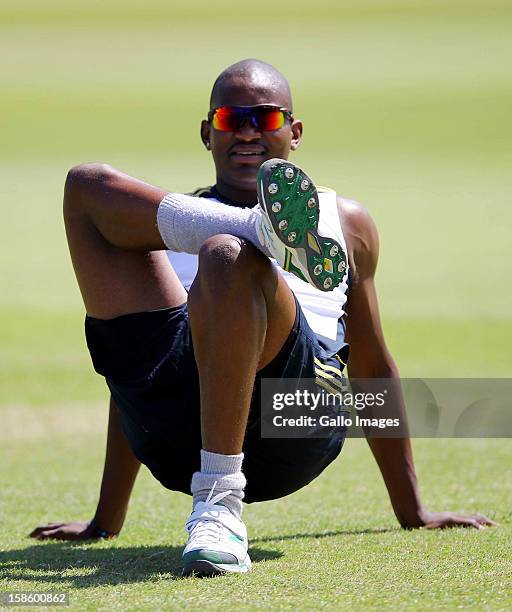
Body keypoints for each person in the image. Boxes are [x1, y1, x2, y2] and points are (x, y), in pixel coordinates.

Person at [30, 59, 494, 576]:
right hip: (180, 433)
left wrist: (414, 511)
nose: (248, 131)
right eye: (232, 118)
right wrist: (105, 521)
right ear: (208, 133)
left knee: (228, 257)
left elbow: (369, 360)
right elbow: (136, 372)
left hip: (295, 422)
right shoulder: (164, 223)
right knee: (85, 185)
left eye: (266, 118)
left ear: (294, 133)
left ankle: (219, 502)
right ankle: (258, 228)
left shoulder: (346, 221)